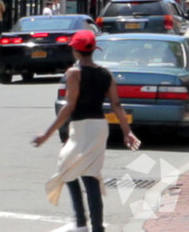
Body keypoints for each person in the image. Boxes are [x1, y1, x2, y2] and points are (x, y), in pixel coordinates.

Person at [33, 28, 138, 232]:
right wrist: (127, 131)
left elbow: (69, 106)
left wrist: (46, 134)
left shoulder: (74, 73)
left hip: (82, 127)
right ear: (93, 50)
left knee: (67, 170)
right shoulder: (105, 73)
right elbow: (116, 104)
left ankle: (81, 223)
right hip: (99, 127)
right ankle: (96, 227)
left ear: (76, 50)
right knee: (89, 175)